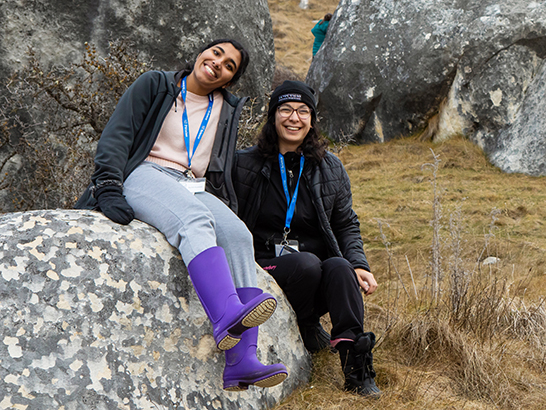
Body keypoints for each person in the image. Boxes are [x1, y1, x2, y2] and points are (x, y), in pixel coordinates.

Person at [75, 39, 287, 393]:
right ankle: (225, 314)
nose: (218, 63)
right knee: (193, 220)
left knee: (238, 236)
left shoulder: (226, 108)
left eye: (230, 65)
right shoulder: (156, 84)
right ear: (200, 54)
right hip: (143, 173)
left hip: (191, 184)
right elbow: (118, 134)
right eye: (216, 53)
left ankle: (242, 362)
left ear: (229, 80)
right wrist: (108, 183)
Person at [231, 80, 380, 397]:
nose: (293, 118)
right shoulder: (244, 163)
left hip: (313, 270)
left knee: (339, 268)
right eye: (285, 109)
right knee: (308, 264)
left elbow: (345, 223)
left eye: (302, 111)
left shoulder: (330, 167)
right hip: (263, 268)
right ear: (273, 116)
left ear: (312, 119)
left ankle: (357, 369)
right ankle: (309, 323)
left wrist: (359, 264)